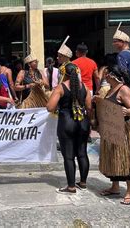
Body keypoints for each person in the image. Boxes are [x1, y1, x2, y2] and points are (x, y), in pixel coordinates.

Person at [95, 65, 130, 205]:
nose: (105, 77)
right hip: (111, 128)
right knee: (113, 158)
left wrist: (126, 111)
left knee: (126, 161)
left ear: (113, 76)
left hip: (124, 129)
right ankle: (115, 187)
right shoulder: (110, 90)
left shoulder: (124, 89)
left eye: (107, 75)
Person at [47, 63, 91, 194]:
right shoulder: (85, 87)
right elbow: (89, 107)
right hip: (83, 122)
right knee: (82, 153)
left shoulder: (61, 88)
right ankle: (83, 183)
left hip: (66, 123)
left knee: (69, 156)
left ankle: (71, 186)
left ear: (64, 74)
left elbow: (50, 107)